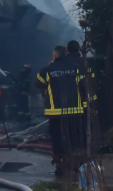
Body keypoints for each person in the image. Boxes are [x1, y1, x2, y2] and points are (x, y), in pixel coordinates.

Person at [35, 45, 87, 177]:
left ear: (54, 56)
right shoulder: (77, 67)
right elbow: (84, 85)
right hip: (75, 111)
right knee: (75, 137)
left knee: (58, 139)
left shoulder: (48, 69)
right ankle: (78, 165)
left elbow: (38, 84)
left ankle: (61, 167)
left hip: (56, 113)